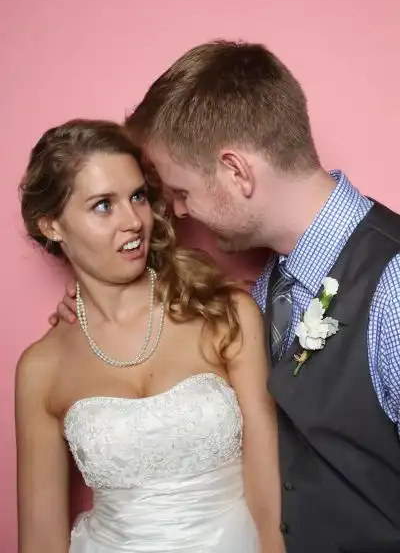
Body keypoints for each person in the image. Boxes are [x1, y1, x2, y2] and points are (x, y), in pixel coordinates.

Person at [53, 41, 400, 553]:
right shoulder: (269, 286)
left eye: (181, 192)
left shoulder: (393, 285)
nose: (179, 212)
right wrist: (101, 301)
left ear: (236, 171)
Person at [15, 119, 284, 553]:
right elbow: (40, 538)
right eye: (104, 205)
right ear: (52, 226)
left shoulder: (223, 313)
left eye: (137, 197)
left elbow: (270, 504)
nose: (134, 221)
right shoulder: (41, 368)